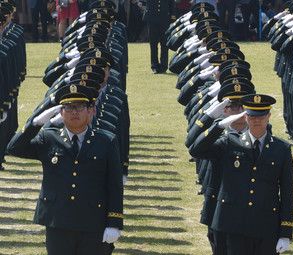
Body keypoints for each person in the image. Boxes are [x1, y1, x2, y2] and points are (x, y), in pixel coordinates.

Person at [7, 84, 124, 254]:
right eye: (68, 108)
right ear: (61, 113)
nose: (74, 112)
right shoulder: (48, 138)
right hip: (58, 222)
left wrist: (114, 223)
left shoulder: (106, 141)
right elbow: (14, 148)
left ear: (91, 110)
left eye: (79, 107)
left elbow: (114, 185)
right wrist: (35, 123)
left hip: (93, 222)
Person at [189, 94, 293, 254]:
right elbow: (196, 149)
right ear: (245, 117)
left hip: (265, 225)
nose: (256, 120)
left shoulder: (281, 149)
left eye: (261, 116)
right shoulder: (230, 142)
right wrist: (218, 126)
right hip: (233, 225)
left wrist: (285, 233)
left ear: (269, 116)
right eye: (252, 116)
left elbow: (287, 193)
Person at [143, 0, 176, 74]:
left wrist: (172, 18)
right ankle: (154, 66)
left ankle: (163, 66)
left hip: (164, 18)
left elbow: (171, 4)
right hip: (152, 18)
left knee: (164, 44)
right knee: (153, 44)